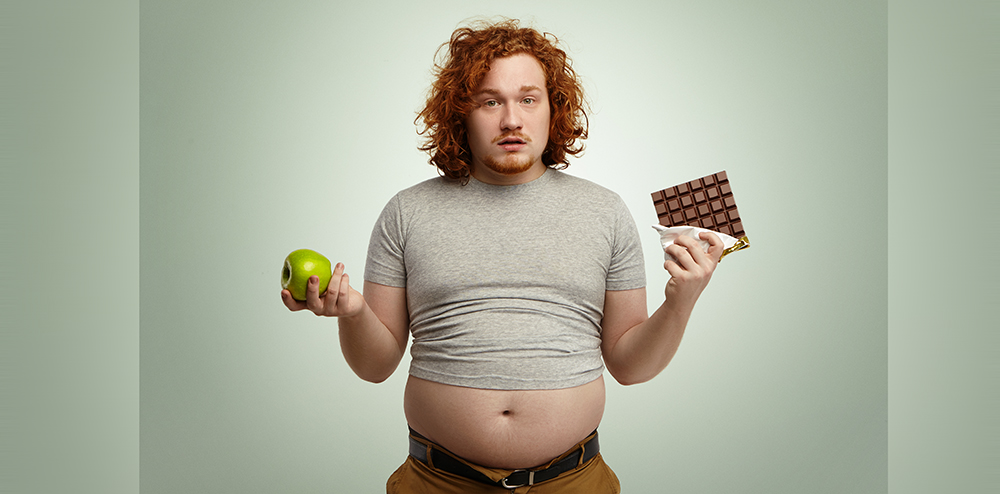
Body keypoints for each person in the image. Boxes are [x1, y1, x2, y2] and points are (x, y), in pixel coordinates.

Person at [281, 19, 723, 493]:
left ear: (553, 109)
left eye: (528, 99)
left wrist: (681, 301)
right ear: (460, 112)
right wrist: (352, 313)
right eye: (490, 101)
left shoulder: (606, 212)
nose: (511, 119)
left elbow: (630, 367)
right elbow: (374, 367)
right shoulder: (405, 212)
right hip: (437, 482)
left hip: (573, 483)